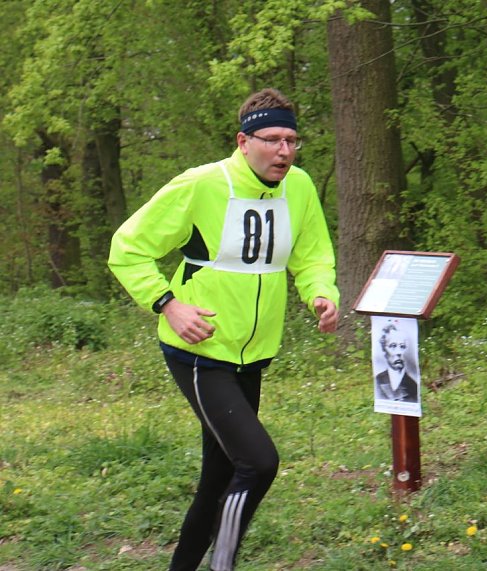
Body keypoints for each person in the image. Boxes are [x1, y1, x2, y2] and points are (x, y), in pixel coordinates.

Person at [108, 87, 339, 571]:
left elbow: (312, 254)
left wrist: (321, 294)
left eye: (293, 140)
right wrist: (167, 304)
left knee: (219, 476)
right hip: (200, 351)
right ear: (243, 140)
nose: (285, 151)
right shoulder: (201, 184)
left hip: (253, 353)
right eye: (272, 139)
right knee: (257, 463)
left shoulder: (298, 186)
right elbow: (127, 247)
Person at [374, 323, 419, 402]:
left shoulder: (413, 386)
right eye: (393, 346)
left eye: (402, 346)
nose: (399, 352)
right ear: (384, 349)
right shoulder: (378, 380)